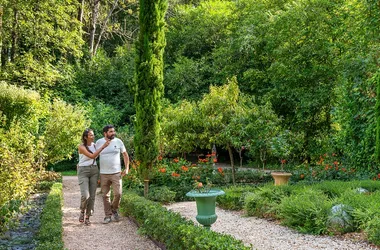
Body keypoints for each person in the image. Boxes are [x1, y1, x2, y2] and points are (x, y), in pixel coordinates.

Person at [96, 124, 129, 224]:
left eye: (113, 131)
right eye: (110, 131)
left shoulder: (118, 141)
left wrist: (127, 168)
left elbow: (125, 155)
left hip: (116, 173)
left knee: (118, 193)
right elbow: (94, 155)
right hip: (103, 173)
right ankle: (107, 216)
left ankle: (114, 209)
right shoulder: (99, 142)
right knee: (105, 195)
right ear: (105, 133)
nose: (113, 133)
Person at [77, 129, 110, 225]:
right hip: (83, 171)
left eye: (93, 135)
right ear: (85, 137)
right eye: (91, 135)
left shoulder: (95, 145)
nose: (93, 136)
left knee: (92, 196)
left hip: (94, 170)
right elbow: (92, 156)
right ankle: (82, 211)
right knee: (85, 195)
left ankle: (87, 217)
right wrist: (103, 147)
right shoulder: (81, 147)